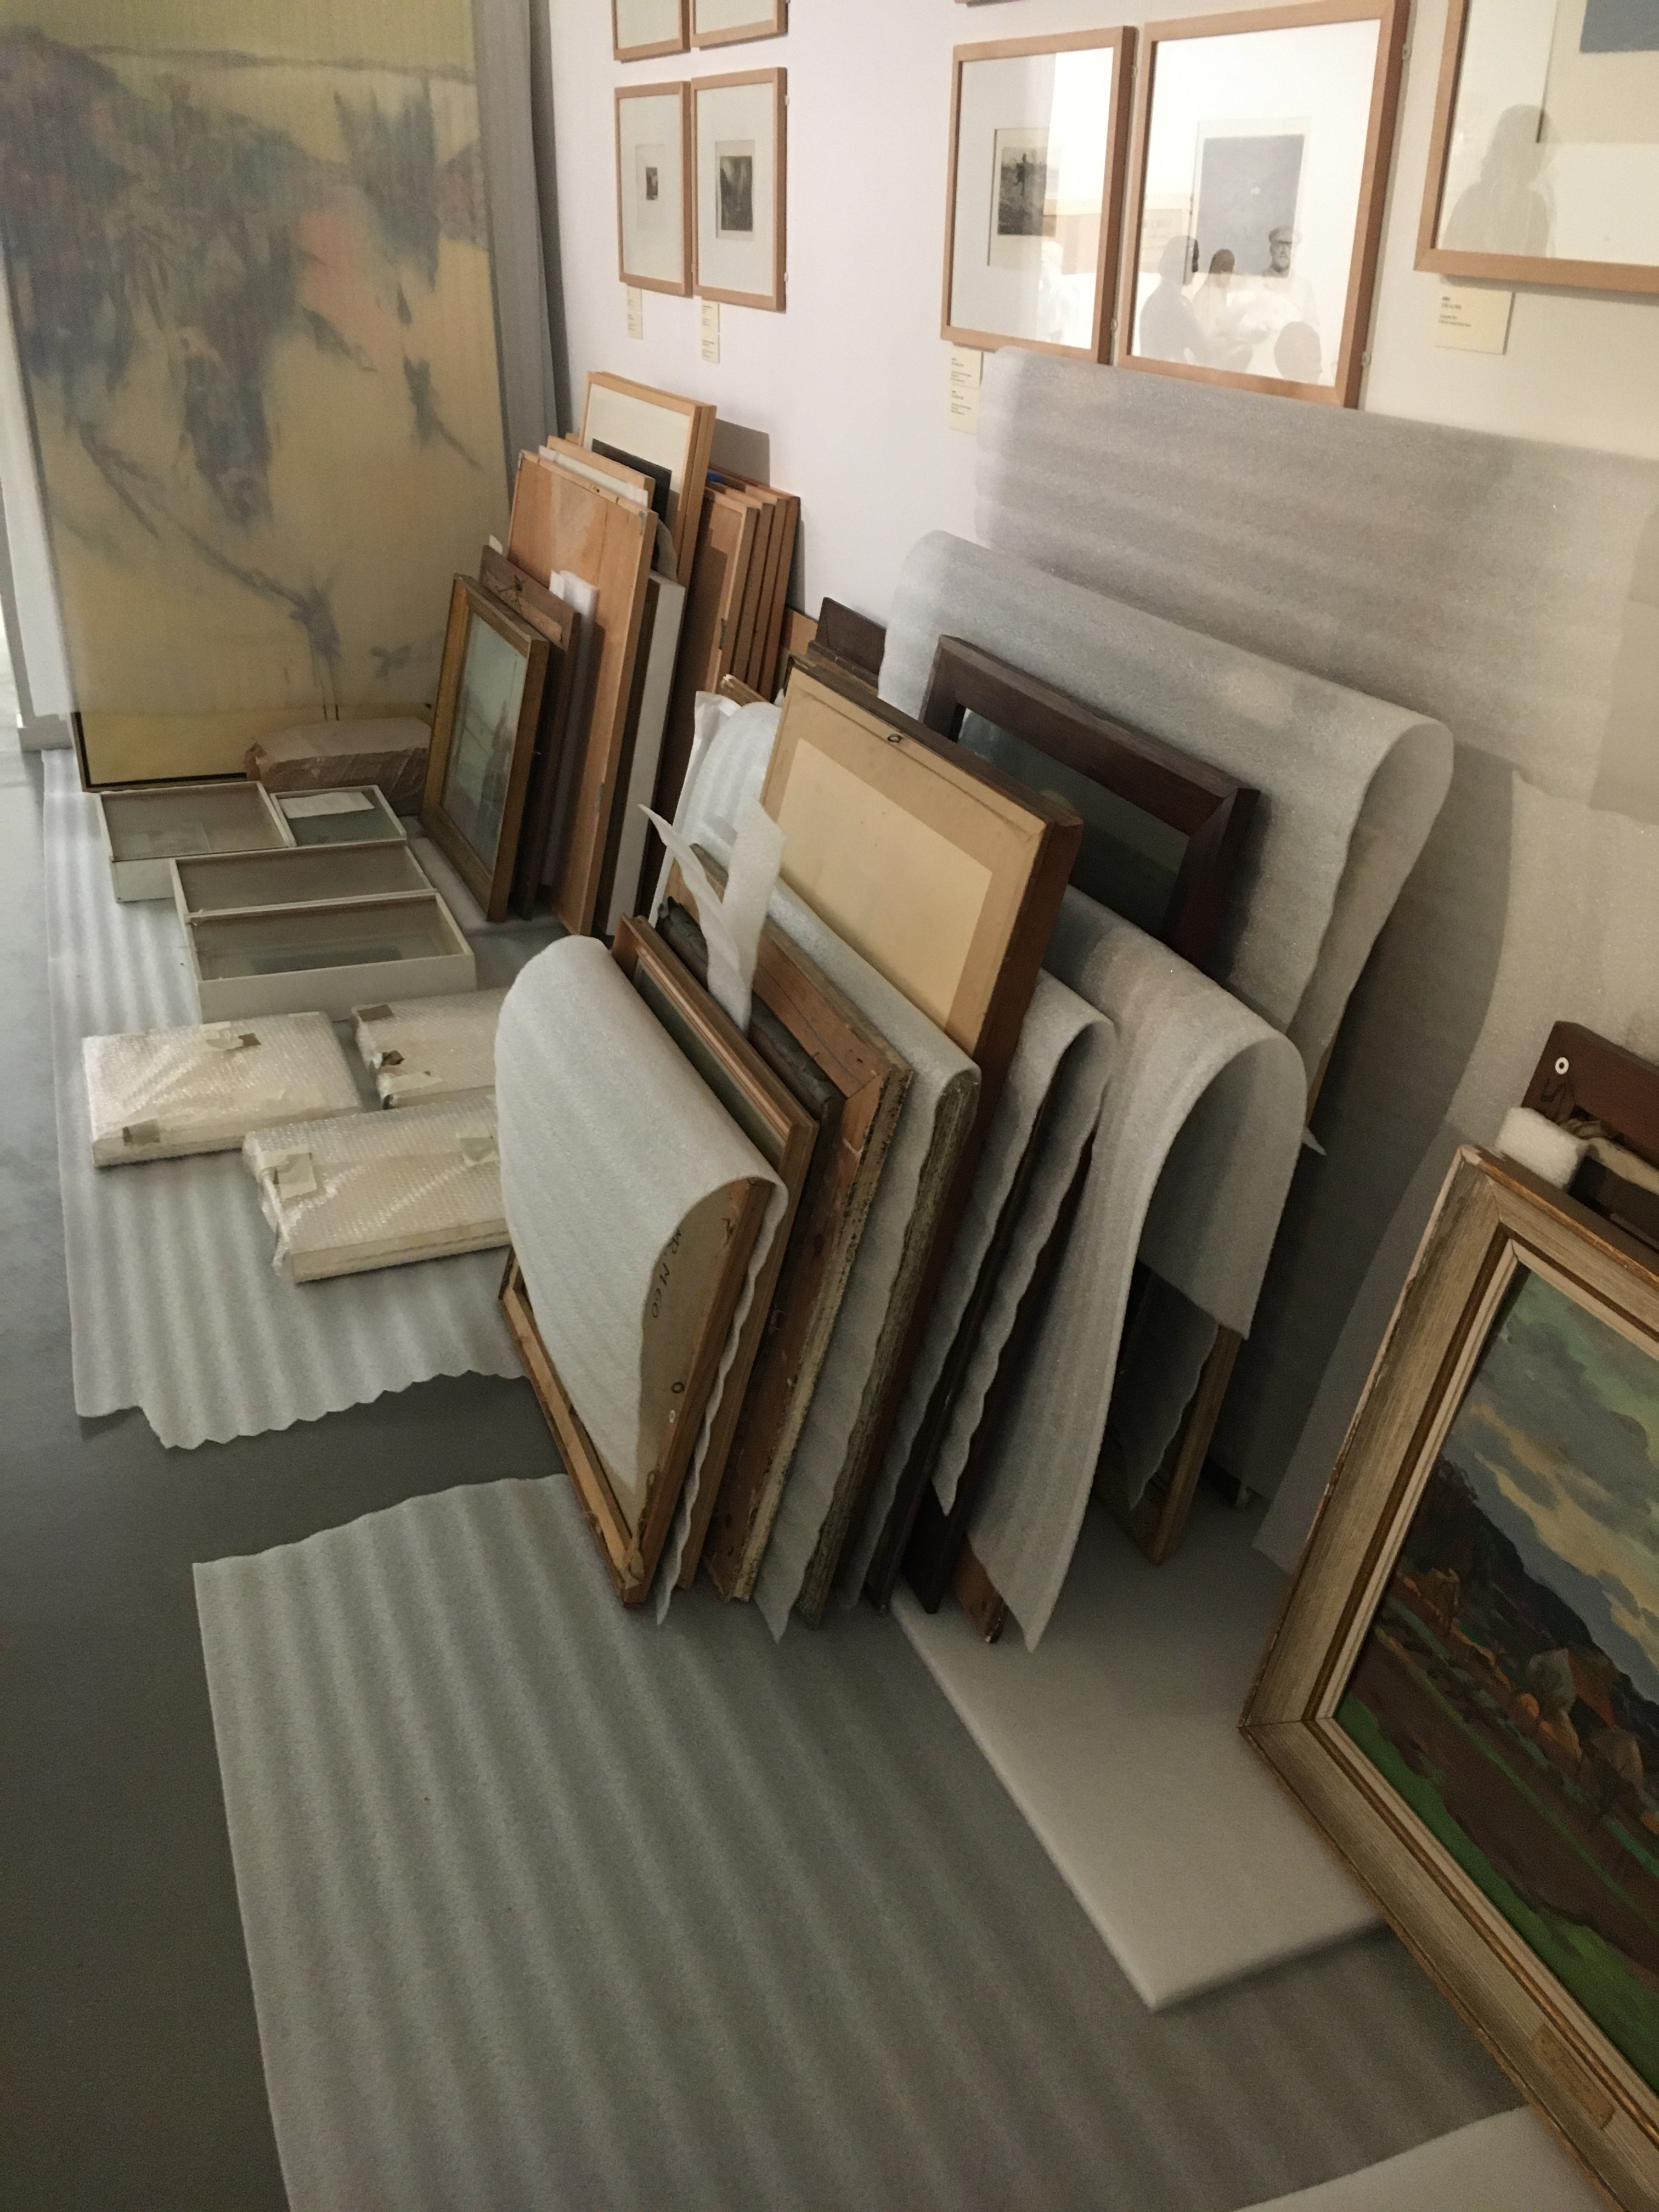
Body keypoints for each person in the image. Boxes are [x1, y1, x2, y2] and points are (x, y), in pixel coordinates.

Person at [1191, 249, 1269, 371]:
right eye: (1225, 271)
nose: (1229, 276)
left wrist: (1251, 333)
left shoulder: (1222, 294)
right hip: (1209, 361)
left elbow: (1227, 326)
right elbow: (1205, 335)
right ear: (1216, 270)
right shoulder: (1205, 296)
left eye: (1230, 271)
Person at [1137, 234, 1206, 365]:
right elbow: (1203, 350)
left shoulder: (1152, 300)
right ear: (1180, 264)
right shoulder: (1180, 304)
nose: (1196, 269)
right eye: (1193, 261)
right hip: (1171, 371)